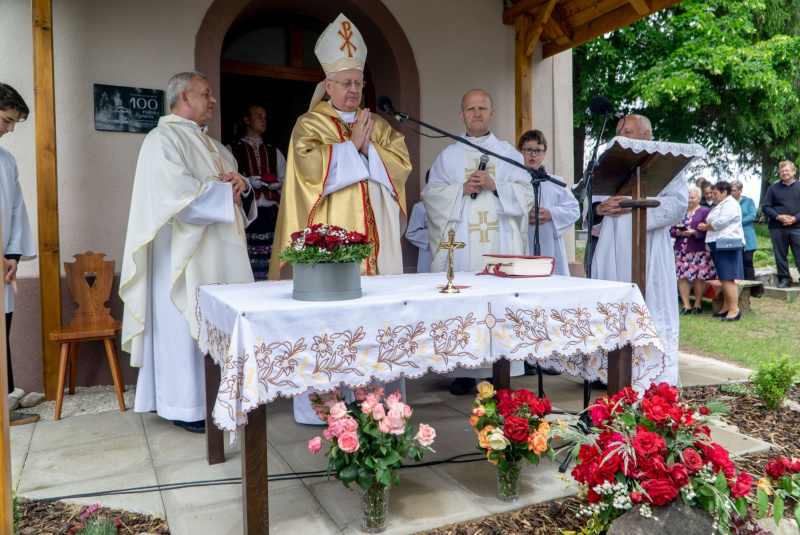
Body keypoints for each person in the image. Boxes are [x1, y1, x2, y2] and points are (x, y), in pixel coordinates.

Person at [267, 14, 411, 423]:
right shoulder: (309, 124)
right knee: (330, 325)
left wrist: (368, 150)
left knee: (379, 325)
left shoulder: (376, 125)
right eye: (345, 83)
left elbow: (401, 166)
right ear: (327, 85)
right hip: (332, 247)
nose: (353, 90)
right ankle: (324, 407)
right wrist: (350, 149)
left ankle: (380, 403)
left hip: (377, 249)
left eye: (358, 83)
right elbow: (307, 171)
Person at [119, 72, 256, 433]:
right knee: (183, 326)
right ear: (183, 97)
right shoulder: (161, 140)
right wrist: (223, 192)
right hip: (181, 256)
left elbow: (237, 196)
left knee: (220, 326)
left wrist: (242, 186)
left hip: (221, 255)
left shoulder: (217, 147)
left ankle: (224, 401)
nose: (213, 100)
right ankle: (187, 406)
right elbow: (176, 196)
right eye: (205, 94)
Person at [423, 89, 535, 394]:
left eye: (482, 108)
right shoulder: (448, 156)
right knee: (464, 302)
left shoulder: (508, 154)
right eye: (471, 109)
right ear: (461, 115)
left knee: (497, 303)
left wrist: (496, 185)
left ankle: (500, 370)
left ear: (492, 113)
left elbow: (527, 193)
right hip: (462, 243)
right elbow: (430, 196)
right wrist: (459, 189)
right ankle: (463, 371)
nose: (476, 113)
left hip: (499, 242)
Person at [592, 114, 688, 386]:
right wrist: (599, 208)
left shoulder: (666, 162)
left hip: (648, 245)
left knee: (649, 304)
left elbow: (678, 205)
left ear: (647, 135)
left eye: (628, 132)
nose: (621, 137)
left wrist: (636, 207)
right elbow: (591, 199)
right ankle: (607, 371)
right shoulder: (610, 163)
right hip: (610, 244)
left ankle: (652, 375)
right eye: (618, 132)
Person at [0, 83, 38, 426]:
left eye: (14, 122)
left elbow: (15, 209)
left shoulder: (7, 160)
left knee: (2, 332)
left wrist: (11, 256)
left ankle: (2, 408)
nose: (10, 129)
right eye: (6, 120)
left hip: (3, 267)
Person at [227, 104, 286, 281]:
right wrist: (247, 182)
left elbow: (287, 180)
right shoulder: (231, 149)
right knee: (247, 259)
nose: (263, 120)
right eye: (259, 116)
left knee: (272, 258)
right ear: (246, 120)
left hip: (270, 215)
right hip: (247, 215)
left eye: (265, 117)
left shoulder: (274, 151)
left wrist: (277, 184)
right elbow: (227, 178)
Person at [517, 129, 579, 277]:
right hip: (522, 241)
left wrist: (551, 213)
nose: (533, 155)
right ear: (520, 151)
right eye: (528, 150)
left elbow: (574, 210)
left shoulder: (556, 183)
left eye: (538, 150)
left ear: (544, 153)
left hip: (549, 244)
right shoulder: (514, 182)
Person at [698, 181, 744, 321]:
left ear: (724, 192)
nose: (713, 196)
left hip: (726, 244)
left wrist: (706, 227)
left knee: (727, 277)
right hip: (718, 243)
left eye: (715, 193)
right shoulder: (722, 204)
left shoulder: (730, 204)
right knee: (723, 277)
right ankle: (726, 307)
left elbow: (721, 222)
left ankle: (734, 310)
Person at [670, 186, 715, 315]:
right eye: (688, 197)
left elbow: (709, 230)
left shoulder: (705, 212)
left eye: (693, 198)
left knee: (698, 277)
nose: (690, 200)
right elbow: (671, 230)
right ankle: (686, 305)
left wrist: (694, 232)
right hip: (681, 250)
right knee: (682, 277)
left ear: (699, 198)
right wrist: (678, 232)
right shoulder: (680, 212)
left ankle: (697, 304)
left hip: (698, 249)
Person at [762, 161, 800, 288]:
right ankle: (785, 279)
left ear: (794, 171)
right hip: (777, 227)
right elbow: (766, 207)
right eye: (782, 171)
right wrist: (778, 217)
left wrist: (795, 218)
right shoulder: (773, 189)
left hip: (797, 227)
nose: (784, 173)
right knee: (780, 255)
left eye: (787, 170)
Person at [731, 180, 757, 281]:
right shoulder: (729, 202)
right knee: (735, 262)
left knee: (747, 260)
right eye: (730, 190)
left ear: (740, 190)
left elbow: (752, 215)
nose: (732, 192)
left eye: (734, 190)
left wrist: (738, 222)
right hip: (733, 236)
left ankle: (751, 285)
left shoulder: (748, 201)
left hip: (747, 236)